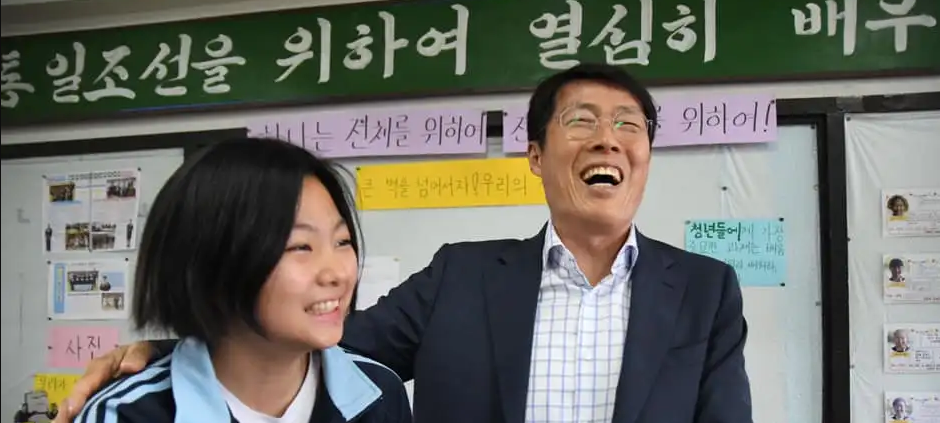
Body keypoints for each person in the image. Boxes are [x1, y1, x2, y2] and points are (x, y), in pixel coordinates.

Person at [55, 63, 752, 423]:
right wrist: (172, 354)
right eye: (583, 120)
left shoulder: (705, 289)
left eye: (629, 124)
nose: (608, 138)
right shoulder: (461, 275)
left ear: (647, 154)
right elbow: (317, 341)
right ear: (535, 155)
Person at [68, 138, 411, 423]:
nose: (336, 273)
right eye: (300, 246)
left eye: (343, 242)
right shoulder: (126, 414)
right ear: (210, 265)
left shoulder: (378, 395)